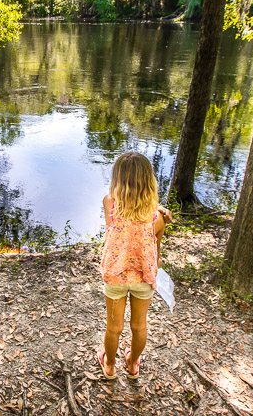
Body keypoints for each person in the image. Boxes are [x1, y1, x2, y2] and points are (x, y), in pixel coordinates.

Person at [97, 152, 173, 380]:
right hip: (143, 278)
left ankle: (109, 366)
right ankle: (132, 365)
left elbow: (115, 227)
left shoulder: (110, 204)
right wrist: (159, 209)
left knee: (114, 327)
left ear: (118, 179)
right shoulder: (158, 217)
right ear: (149, 181)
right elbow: (155, 250)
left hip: (116, 276)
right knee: (139, 326)